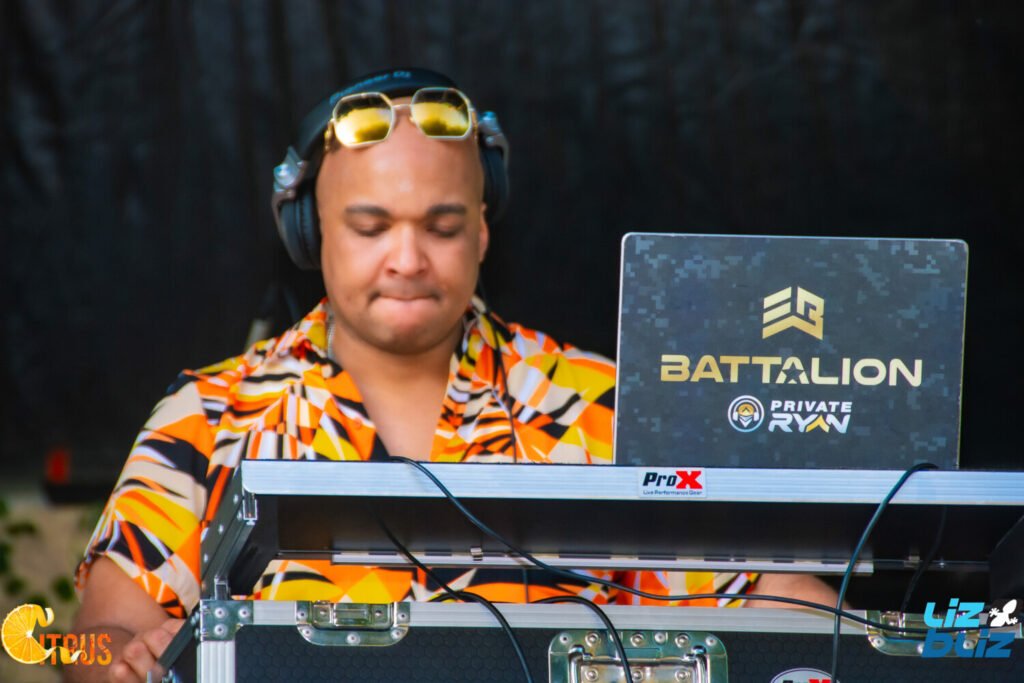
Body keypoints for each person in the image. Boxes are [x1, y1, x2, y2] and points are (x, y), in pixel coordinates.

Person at [68, 68, 837, 683]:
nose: (407, 259)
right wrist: (119, 656)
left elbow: (772, 599)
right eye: (371, 227)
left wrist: (812, 615)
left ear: (483, 232)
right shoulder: (209, 412)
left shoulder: (605, 405)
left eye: (441, 227)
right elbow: (91, 639)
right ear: (310, 233)